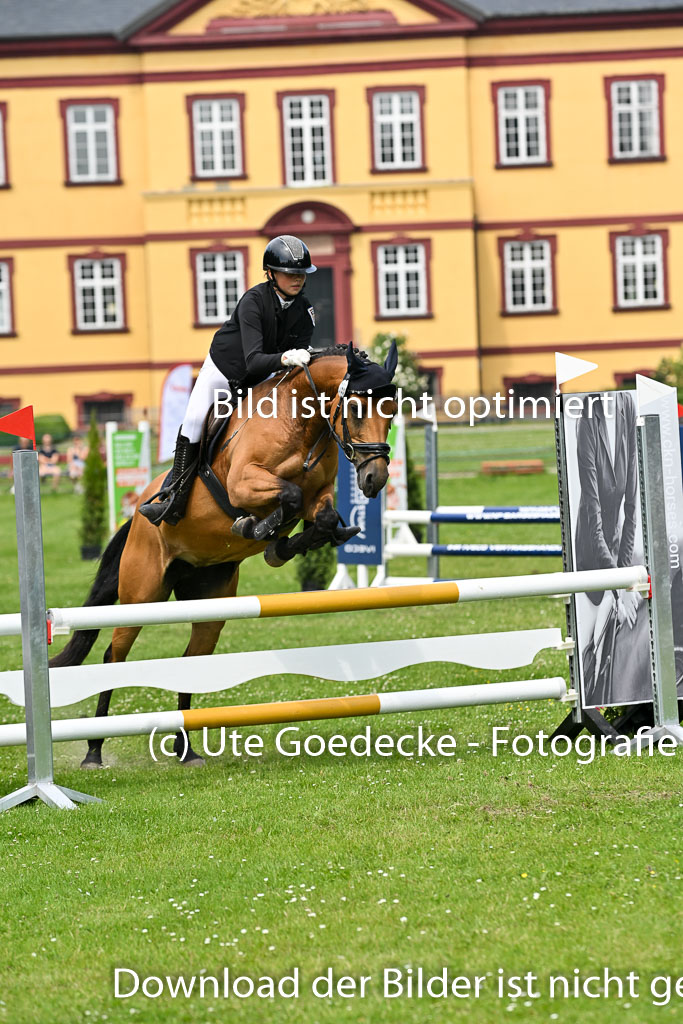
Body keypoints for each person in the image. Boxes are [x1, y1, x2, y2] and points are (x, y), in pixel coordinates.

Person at [139, 235, 317, 526]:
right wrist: (287, 357)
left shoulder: (305, 310)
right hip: (224, 372)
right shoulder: (253, 302)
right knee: (194, 420)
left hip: (261, 382)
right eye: (289, 273)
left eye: (301, 273)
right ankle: (173, 497)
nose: (297, 279)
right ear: (271, 274)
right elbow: (254, 360)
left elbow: (297, 361)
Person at [573, 392, 641, 705]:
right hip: (590, 548)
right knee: (589, 644)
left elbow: (632, 506)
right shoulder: (587, 416)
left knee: (610, 641)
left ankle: (613, 704)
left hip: (616, 545)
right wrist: (617, 583)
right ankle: (588, 703)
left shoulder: (627, 405)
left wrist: (625, 576)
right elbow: (592, 507)